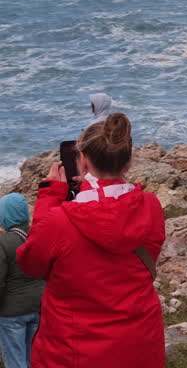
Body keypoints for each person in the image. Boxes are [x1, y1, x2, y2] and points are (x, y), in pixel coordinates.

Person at [17, 113, 166, 368]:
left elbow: (32, 264)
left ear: (83, 162)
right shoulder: (150, 206)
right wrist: (90, 191)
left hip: (73, 351)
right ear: (128, 162)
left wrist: (50, 196)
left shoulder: (60, 220)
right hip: (139, 346)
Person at [1, 194, 42, 368]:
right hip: (38, 306)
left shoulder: (4, 242)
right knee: (34, 359)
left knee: (16, 362)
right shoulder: (39, 235)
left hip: (11, 313)